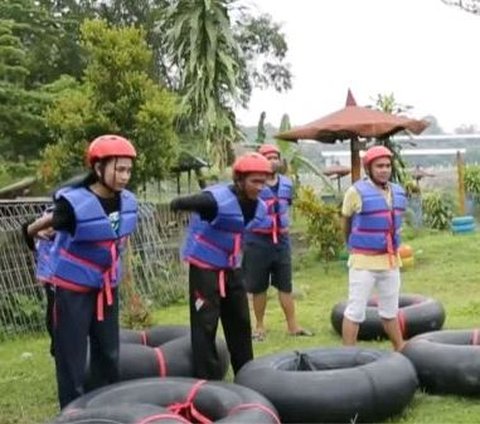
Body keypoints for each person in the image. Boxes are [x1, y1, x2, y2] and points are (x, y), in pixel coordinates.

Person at [26, 134, 138, 408]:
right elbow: (33, 228)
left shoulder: (126, 202)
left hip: (105, 289)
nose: (125, 176)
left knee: (109, 353)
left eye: (129, 170)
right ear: (98, 169)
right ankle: (73, 412)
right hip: (72, 291)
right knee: (71, 357)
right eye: (119, 169)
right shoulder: (72, 205)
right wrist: (33, 236)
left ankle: (107, 407)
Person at [170, 152, 271, 379]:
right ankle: (207, 381)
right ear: (239, 180)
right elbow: (180, 203)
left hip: (231, 267)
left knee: (241, 321)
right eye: (254, 181)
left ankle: (247, 375)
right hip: (204, 268)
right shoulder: (214, 201)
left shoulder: (259, 206)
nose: (260, 187)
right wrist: (179, 205)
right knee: (205, 325)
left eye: (263, 182)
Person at [242, 144, 312, 341]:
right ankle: (259, 327)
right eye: (268, 157)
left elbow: (286, 205)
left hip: (281, 240)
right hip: (257, 240)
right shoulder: (253, 185)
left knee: (285, 285)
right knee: (258, 287)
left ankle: (293, 326)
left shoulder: (287, 184)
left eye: (275, 156)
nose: (272, 160)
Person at [341, 145, 407, 351]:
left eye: (387, 165)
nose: (384, 170)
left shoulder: (397, 191)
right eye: (379, 166)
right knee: (355, 311)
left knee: (390, 311)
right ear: (369, 168)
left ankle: (401, 349)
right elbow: (346, 222)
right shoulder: (355, 192)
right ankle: (347, 355)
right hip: (363, 262)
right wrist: (351, 244)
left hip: (390, 260)